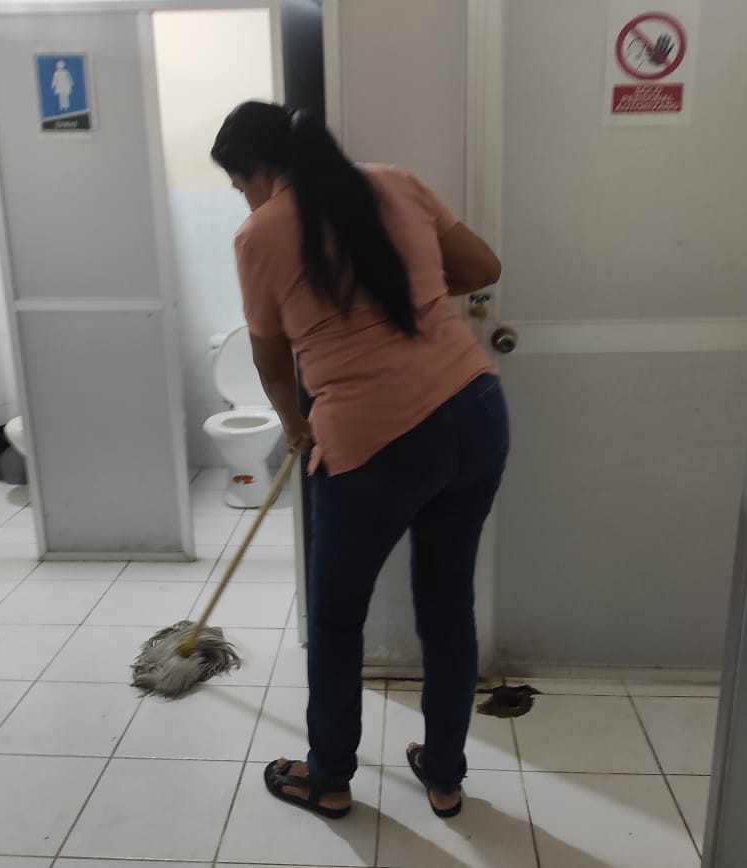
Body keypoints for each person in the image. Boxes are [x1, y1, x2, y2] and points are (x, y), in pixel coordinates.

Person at [211, 101, 509, 820]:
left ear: (260, 170)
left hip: (374, 444)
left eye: (240, 184)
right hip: (475, 414)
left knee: (338, 619)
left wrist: (294, 425)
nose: (244, 199)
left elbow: (269, 358)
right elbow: (483, 266)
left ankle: (329, 777)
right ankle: (444, 775)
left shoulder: (259, 234)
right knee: (447, 607)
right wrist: (408, 290)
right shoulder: (394, 182)